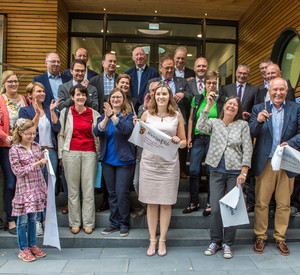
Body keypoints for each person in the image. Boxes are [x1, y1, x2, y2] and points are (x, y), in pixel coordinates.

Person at [197, 96, 252, 259]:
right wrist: (208, 105)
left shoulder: (243, 125)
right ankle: (216, 241)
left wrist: (244, 172)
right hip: (216, 170)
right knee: (215, 209)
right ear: (224, 107)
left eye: (235, 105)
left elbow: (248, 148)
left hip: (235, 172)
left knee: (231, 208)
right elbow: (200, 126)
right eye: (229, 103)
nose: (232, 106)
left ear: (238, 109)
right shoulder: (214, 122)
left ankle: (228, 243)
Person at [250, 77, 300, 256]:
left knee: (284, 203)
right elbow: (250, 132)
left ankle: (280, 237)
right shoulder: (258, 109)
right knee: (261, 203)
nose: (278, 93)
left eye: (282, 90)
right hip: (266, 162)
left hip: (287, 161)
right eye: (275, 90)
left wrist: (290, 142)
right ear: (269, 91)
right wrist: (258, 122)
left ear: (286, 91)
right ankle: (261, 236)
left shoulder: (296, 108)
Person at [138, 83, 186, 257]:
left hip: (169, 164)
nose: (161, 97)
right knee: (151, 202)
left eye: (164, 94)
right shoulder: (146, 114)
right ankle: (152, 239)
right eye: (158, 94)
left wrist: (177, 140)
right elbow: (139, 137)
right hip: (149, 164)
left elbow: (184, 142)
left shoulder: (177, 116)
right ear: (153, 96)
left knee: (166, 203)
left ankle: (163, 239)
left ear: (169, 96)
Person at [18, 82, 60, 236]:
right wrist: (36, 114)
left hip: (51, 152)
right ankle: (36, 221)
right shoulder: (25, 110)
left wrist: (53, 111)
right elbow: (27, 131)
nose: (42, 93)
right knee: (35, 188)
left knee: (48, 188)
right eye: (38, 91)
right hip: (34, 153)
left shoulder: (48, 110)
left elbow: (57, 128)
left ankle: (46, 220)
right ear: (30, 94)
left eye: (43, 91)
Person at [58, 84, 100, 234]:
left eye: (83, 94)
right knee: (73, 191)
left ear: (86, 96)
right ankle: (75, 222)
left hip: (89, 153)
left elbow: (98, 135)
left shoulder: (94, 113)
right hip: (70, 153)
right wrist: (61, 155)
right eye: (78, 94)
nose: (81, 97)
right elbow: (61, 135)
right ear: (72, 97)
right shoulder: (65, 113)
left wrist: (98, 154)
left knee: (88, 190)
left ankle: (88, 222)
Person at [94, 88, 135, 237]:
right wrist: (106, 117)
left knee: (121, 193)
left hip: (124, 161)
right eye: (113, 97)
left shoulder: (129, 116)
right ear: (109, 100)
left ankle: (124, 223)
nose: (116, 100)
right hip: (107, 160)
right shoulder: (102, 117)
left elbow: (125, 130)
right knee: (111, 193)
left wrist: (112, 116)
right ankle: (114, 223)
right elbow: (97, 132)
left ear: (123, 100)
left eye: (119, 97)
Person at [183, 71, 226, 216]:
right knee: (194, 170)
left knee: (210, 171)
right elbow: (191, 119)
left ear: (217, 84)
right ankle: (193, 202)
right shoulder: (197, 98)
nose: (212, 86)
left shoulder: (222, 99)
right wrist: (189, 137)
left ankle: (210, 202)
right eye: (209, 83)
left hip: (213, 139)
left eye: (214, 83)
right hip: (197, 138)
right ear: (205, 84)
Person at [145, 56, 193, 179]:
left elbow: (191, 96)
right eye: (167, 68)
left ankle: (181, 169)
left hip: (177, 116)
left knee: (179, 143)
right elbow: (147, 98)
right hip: (158, 117)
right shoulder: (153, 82)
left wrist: (183, 94)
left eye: (172, 68)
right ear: (160, 68)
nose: (170, 70)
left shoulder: (182, 81)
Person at [9, 118, 47, 262]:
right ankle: (23, 248)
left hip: (36, 185)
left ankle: (33, 245)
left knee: (33, 218)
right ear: (20, 133)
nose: (31, 136)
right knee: (23, 220)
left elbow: (40, 167)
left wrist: (42, 160)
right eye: (28, 134)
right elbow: (17, 171)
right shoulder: (14, 150)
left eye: (33, 133)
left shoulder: (36, 146)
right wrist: (37, 162)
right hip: (24, 189)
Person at [0, 70, 28, 235]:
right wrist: (5, 137)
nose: (13, 84)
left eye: (16, 81)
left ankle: (21, 217)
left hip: (23, 147)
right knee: (11, 183)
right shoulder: (0, 101)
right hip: (6, 147)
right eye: (10, 81)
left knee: (22, 184)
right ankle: (10, 220)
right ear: (4, 83)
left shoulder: (25, 100)